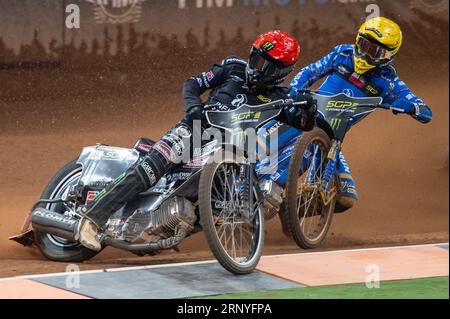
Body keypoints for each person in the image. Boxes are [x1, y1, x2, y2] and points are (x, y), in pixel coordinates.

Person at [76, 30, 317, 251]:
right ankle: (92, 220)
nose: (258, 68)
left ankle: (164, 226)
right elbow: (193, 83)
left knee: (222, 199)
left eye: (268, 66)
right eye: (257, 60)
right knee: (150, 168)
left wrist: (309, 108)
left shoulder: (281, 97)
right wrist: (194, 107)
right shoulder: (232, 66)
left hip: (228, 152)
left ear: (283, 72)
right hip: (194, 130)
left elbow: (303, 124)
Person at [290, 17, 433, 213]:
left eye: (374, 51)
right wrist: (295, 91)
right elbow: (308, 72)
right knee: (289, 166)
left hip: (332, 139)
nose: (365, 54)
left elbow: (426, 111)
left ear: (388, 56)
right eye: (363, 45)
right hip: (304, 119)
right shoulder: (342, 54)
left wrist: (410, 107)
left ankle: (289, 213)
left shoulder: (389, 81)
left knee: (345, 198)